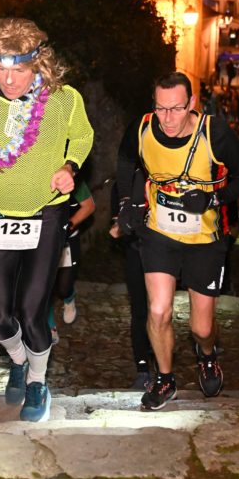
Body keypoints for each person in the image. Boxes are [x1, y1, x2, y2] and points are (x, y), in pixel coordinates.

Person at [0, 18, 93, 423]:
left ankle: (37, 381)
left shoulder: (63, 99)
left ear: (38, 64)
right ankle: (18, 360)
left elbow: (82, 136)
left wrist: (69, 166)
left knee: (33, 312)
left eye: (19, 69)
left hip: (47, 213)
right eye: (0, 69)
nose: (9, 79)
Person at [116, 72, 239, 409]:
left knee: (201, 328)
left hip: (205, 239)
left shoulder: (214, 132)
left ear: (192, 103)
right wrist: (126, 203)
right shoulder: (142, 128)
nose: (167, 118)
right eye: (161, 108)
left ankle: (207, 354)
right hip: (159, 233)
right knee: (158, 309)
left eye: (176, 109)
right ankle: (165, 379)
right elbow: (125, 159)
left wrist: (213, 199)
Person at [109, 133, 154, 390]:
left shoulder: (165, 177)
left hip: (162, 251)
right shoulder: (123, 184)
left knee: (160, 310)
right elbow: (116, 223)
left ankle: (162, 367)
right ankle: (143, 368)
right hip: (136, 250)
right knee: (139, 310)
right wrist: (120, 226)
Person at [48, 179, 95, 343]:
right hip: (42, 242)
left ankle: (69, 297)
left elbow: (89, 206)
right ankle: (49, 327)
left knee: (63, 287)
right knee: (43, 286)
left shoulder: (72, 180)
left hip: (67, 240)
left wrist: (70, 224)